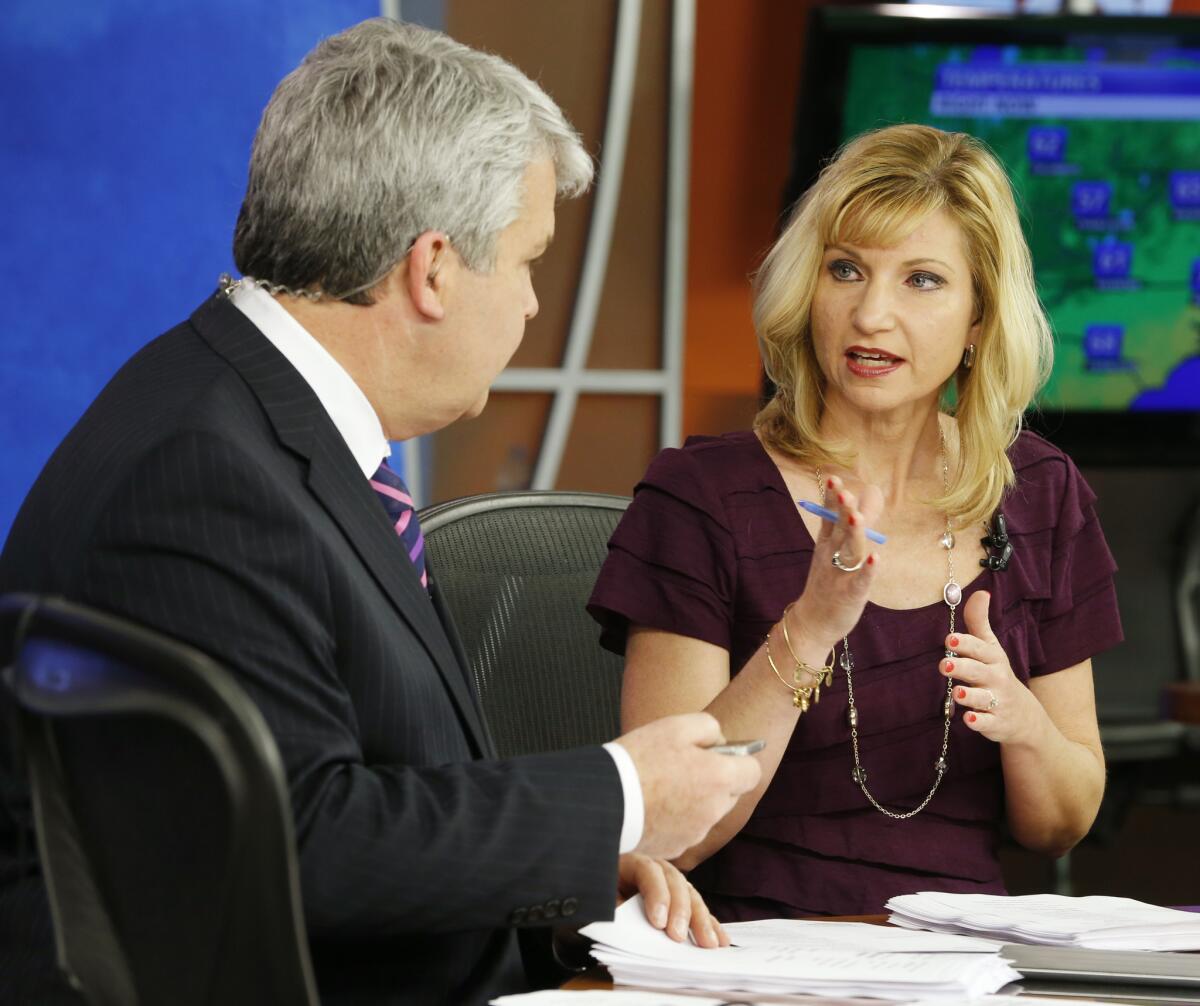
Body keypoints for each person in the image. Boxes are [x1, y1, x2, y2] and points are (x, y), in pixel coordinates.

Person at [0, 19, 762, 1006]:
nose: (533, 304)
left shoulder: (243, 412)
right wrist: (621, 799)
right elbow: (302, 844)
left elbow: (355, 794)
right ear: (433, 267)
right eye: (529, 259)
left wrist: (558, 864)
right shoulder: (205, 475)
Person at [589, 123, 1123, 921]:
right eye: (846, 271)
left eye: (922, 281)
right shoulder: (701, 497)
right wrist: (807, 630)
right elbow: (672, 839)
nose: (872, 314)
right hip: (751, 950)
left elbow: (1060, 825)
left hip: (965, 964)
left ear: (980, 320)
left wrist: (1023, 722)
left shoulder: (1039, 492)